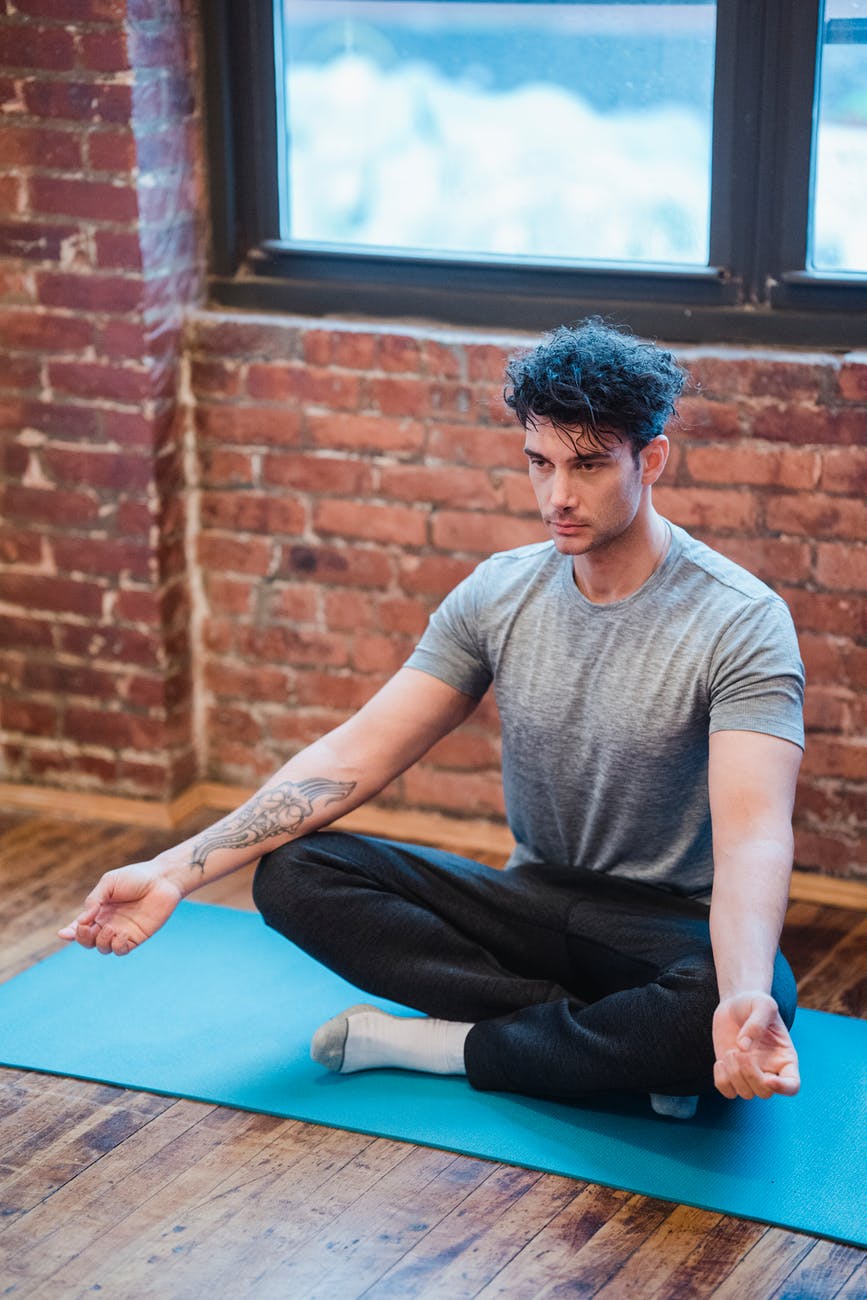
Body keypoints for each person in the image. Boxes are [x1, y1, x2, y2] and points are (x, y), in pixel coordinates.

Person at [60, 319, 805, 1118]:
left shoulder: (740, 621)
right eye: (540, 463)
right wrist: (173, 870)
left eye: (588, 466)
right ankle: (601, 1048)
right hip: (530, 901)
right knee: (293, 873)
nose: (558, 495)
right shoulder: (498, 592)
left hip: (658, 930)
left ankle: (443, 1044)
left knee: (741, 999)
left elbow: (752, 835)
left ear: (649, 458)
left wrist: (739, 996)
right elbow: (361, 749)